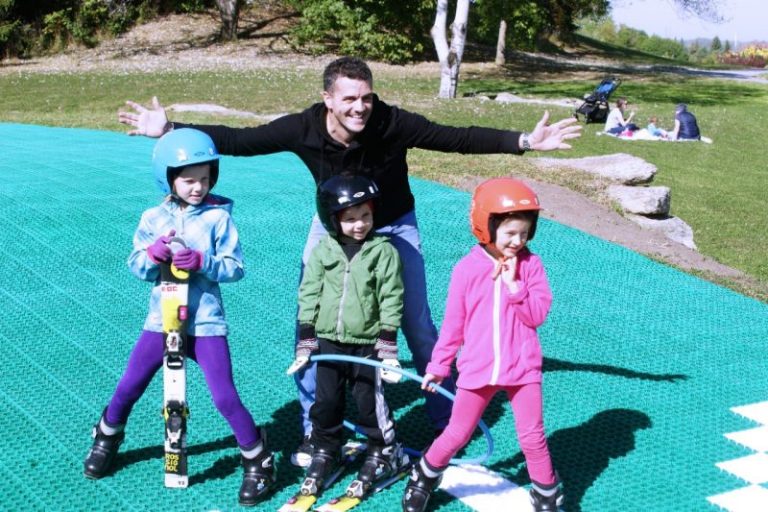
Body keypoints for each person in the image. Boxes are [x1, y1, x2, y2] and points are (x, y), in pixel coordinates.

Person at [118, 56, 581, 466]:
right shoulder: (304, 127)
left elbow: (454, 136)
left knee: (417, 322)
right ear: (328, 99)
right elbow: (242, 139)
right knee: (315, 320)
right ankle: (314, 428)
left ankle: (446, 418)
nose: (360, 107)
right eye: (349, 99)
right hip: (333, 228)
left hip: (394, 223)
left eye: (366, 97)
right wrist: (172, 129)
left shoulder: (390, 122)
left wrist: (524, 139)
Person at [82, 128, 274, 506]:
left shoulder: (219, 217)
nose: (198, 187)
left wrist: (203, 262)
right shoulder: (153, 217)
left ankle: (258, 459)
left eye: (205, 179)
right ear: (168, 178)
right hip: (162, 321)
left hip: (204, 323)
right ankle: (106, 436)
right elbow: (136, 265)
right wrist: (153, 255)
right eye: (189, 180)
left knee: (224, 396)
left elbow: (236, 268)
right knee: (129, 384)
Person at [402, 177, 562, 512]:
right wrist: (438, 366)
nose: (517, 241)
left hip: (523, 368)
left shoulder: (532, 267)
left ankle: (546, 493)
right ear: (486, 228)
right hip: (479, 367)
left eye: (524, 233)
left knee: (533, 437)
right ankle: (424, 475)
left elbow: (536, 315)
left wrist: (515, 286)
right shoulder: (467, 269)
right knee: (458, 432)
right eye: (509, 233)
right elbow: (453, 326)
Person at [290, 174, 408, 497]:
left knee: (369, 402)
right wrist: (306, 339)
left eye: (366, 216)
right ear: (333, 219)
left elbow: (391, 298)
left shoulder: (382, 252)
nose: (359, 224)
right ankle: (327, 447)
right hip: (329, 342)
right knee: (326, 401)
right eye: (350, 218)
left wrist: (387, 346)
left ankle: (384, 449)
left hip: (366, 344)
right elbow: (309, 293)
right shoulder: (324, 251)